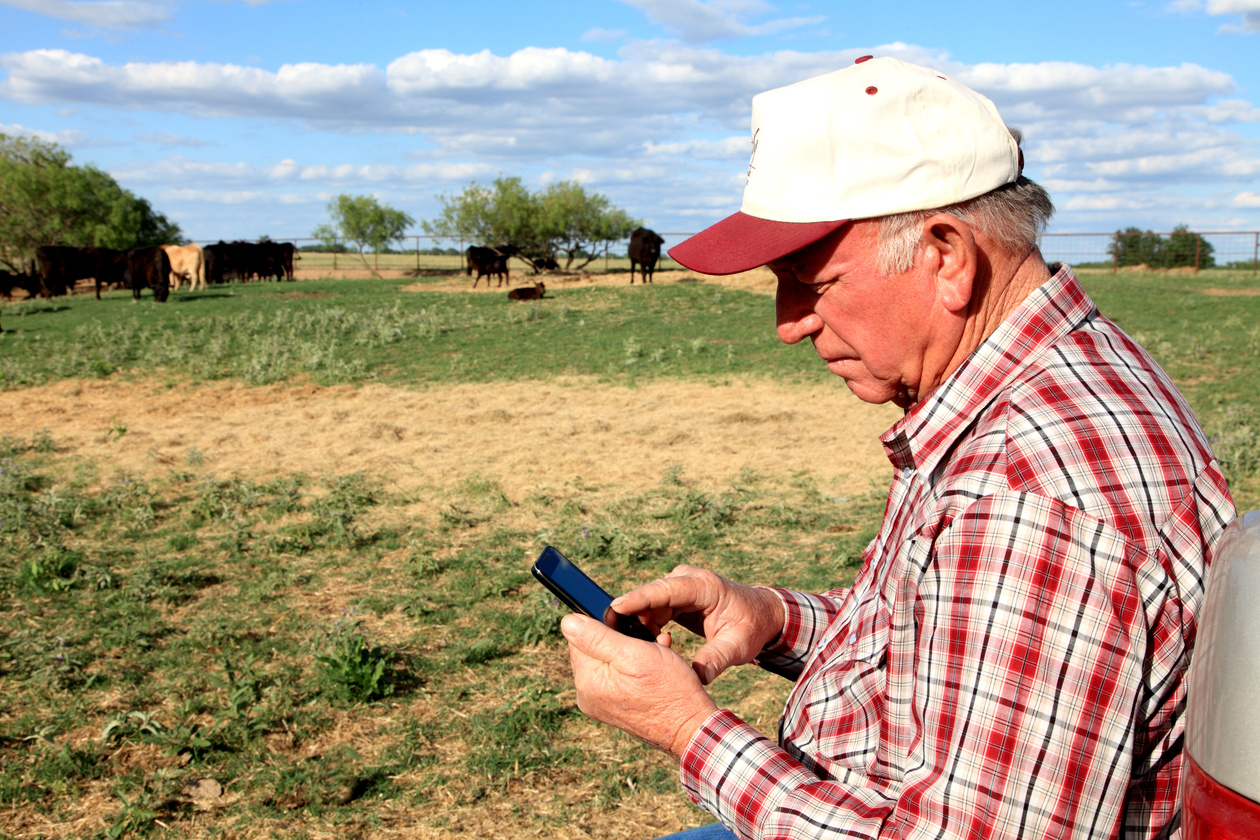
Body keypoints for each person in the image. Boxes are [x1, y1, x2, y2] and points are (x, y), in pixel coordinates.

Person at [560, 56, 1237, 839]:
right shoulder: (1030, 380)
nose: (788, 323)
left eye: (809, 283)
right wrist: (772, 618)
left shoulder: (1030, 498)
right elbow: (947, 641)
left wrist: (686, 728)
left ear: (945, 255)